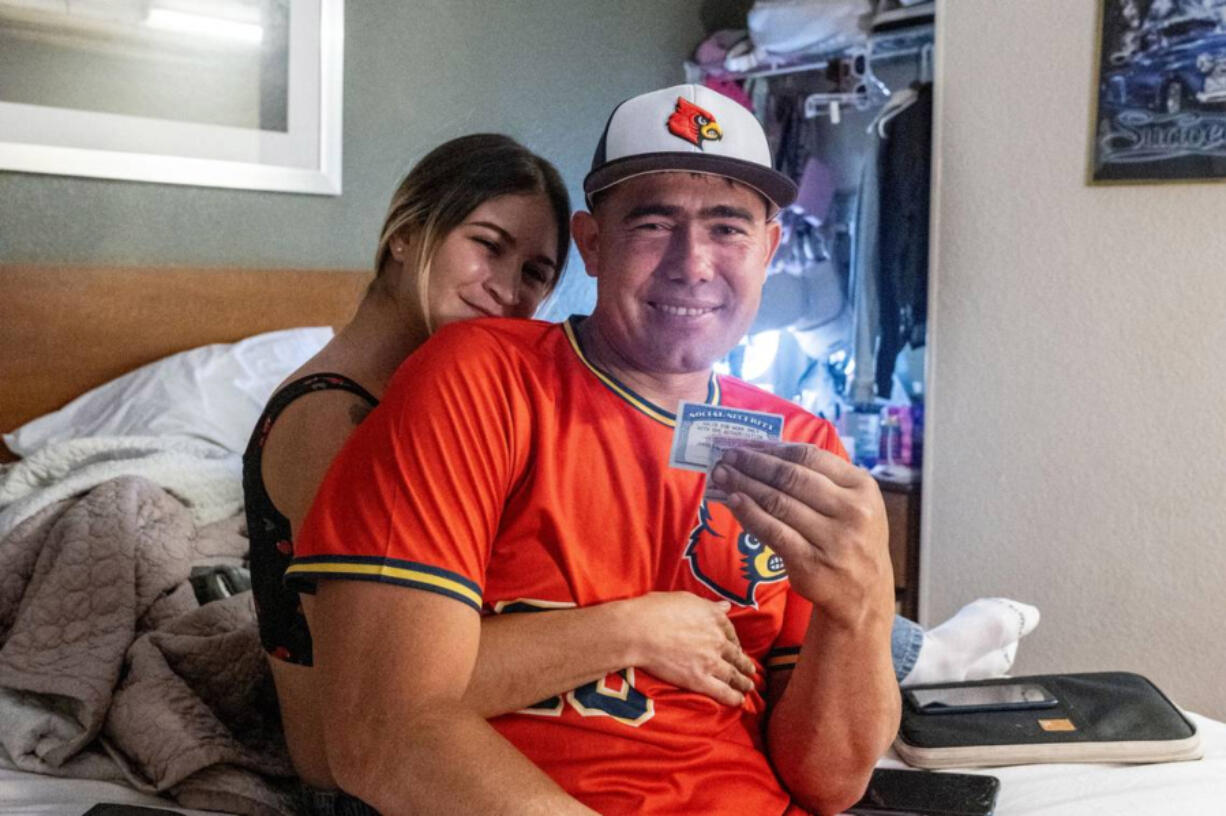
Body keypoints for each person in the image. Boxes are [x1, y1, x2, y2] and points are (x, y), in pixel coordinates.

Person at [288, 85, 902, 815]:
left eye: (728, 228)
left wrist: (860, 607)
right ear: (592, 243)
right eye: (652, 222)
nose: (693, 263)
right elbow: (380, 732)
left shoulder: (804, 449)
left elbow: (829, 783)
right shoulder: (479, 376)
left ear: (769, 249)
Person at [243, 133, 760, 804]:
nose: (506, 290)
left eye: (536, 273)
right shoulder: (334, 420)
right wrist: (637, 628)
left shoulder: (461, 399)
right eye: (487, 246)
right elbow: (380, 700)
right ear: (406, 232)